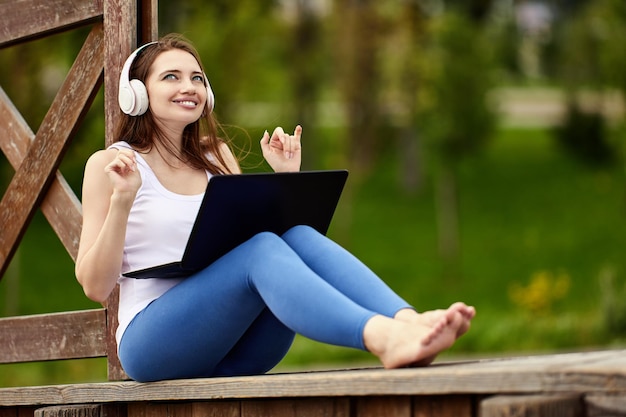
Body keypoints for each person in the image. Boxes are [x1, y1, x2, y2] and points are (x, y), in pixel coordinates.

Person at [75, 33, 475, 382]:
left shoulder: (217, 158)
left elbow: (251, 246)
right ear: (137, 93)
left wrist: (284, 181)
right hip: (153, 343)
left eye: (197, 77)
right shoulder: (112, 165)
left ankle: (407, 322)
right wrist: (122, 201)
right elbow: (95, 286)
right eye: (171, 77)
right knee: (262, 250)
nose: (190, 86)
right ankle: (383, 338)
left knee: (296, 234)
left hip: (239, 346)